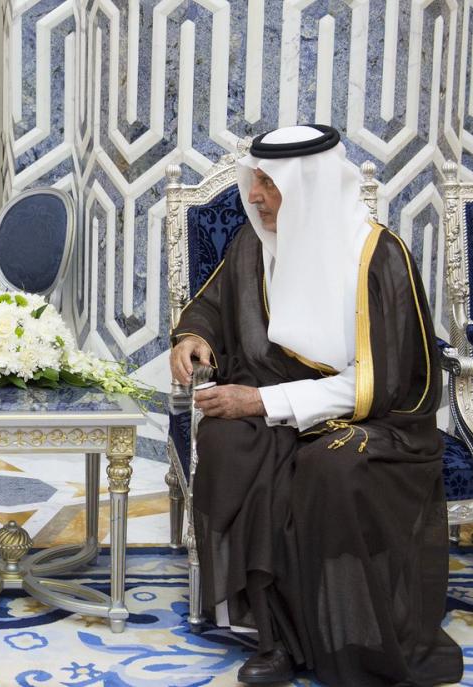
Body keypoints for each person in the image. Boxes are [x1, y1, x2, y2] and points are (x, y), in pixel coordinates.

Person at [169, 125, 463, 686]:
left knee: (330, 467)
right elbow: (215, 303)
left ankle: (341, 632)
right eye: (255, 181)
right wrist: (194, 336)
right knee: (226, 442)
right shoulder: (255, 243)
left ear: (309, 188)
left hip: (376, 417)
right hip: (280, 403)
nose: (254, 196)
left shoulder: (378, 257)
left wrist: (262, 401)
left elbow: (379, 383)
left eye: (269, 184)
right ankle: (272, 634)